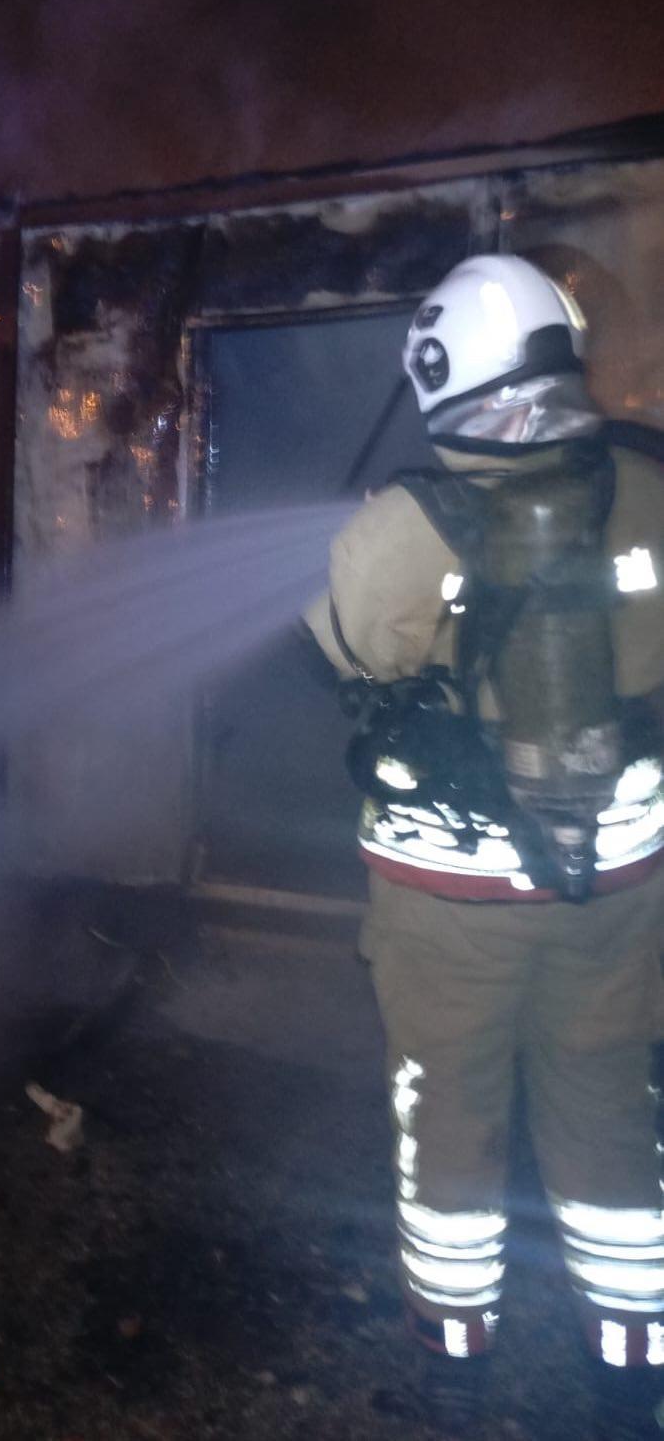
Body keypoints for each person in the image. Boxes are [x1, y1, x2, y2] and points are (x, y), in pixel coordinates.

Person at [303, 254, 664, 1438]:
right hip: (619, 879)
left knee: (449, 1113)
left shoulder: (409, 523)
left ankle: (454, 1362)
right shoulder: (649, 485)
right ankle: (631, 1361)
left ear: (437, 372)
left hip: (448, 900)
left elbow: (346, 648)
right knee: (607, 1100)